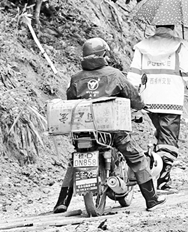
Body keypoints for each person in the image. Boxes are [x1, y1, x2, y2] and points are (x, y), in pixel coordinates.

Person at [53, 37, 165, 213]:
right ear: (103, 55)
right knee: (136, 157)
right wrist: (141, 106)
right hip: (112, 131)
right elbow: (133, 96)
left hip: (84, 131)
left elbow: (71, 102)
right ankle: (151, 199)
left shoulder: (76, 78)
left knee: (74, 161)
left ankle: (62, 202)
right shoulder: (115, 75)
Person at [126, 24, 188, 192]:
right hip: (171, 100)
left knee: (161, 136)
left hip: (149, 100)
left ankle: (154, 170)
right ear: (173, 26)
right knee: (169, 140)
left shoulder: (143, 46)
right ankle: (163, 181)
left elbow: (133, 77)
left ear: (156, 26)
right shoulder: (181, 45)